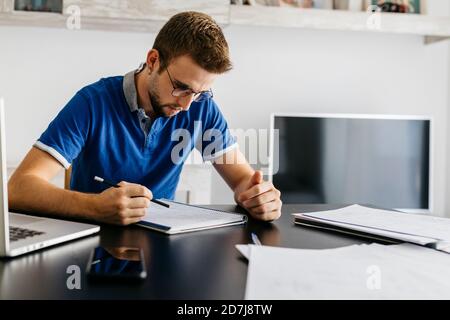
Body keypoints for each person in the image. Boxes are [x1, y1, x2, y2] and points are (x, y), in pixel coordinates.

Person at [8, 11, 282, 226]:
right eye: (181, 87)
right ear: (153, 61)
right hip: (92, 245)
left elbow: (245, 181)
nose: (188, 105)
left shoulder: (202, 106)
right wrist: (94, 207)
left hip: (163, 252)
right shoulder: (92, 103)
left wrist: (259, 197)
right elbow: (18, 189)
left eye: (200, 92)